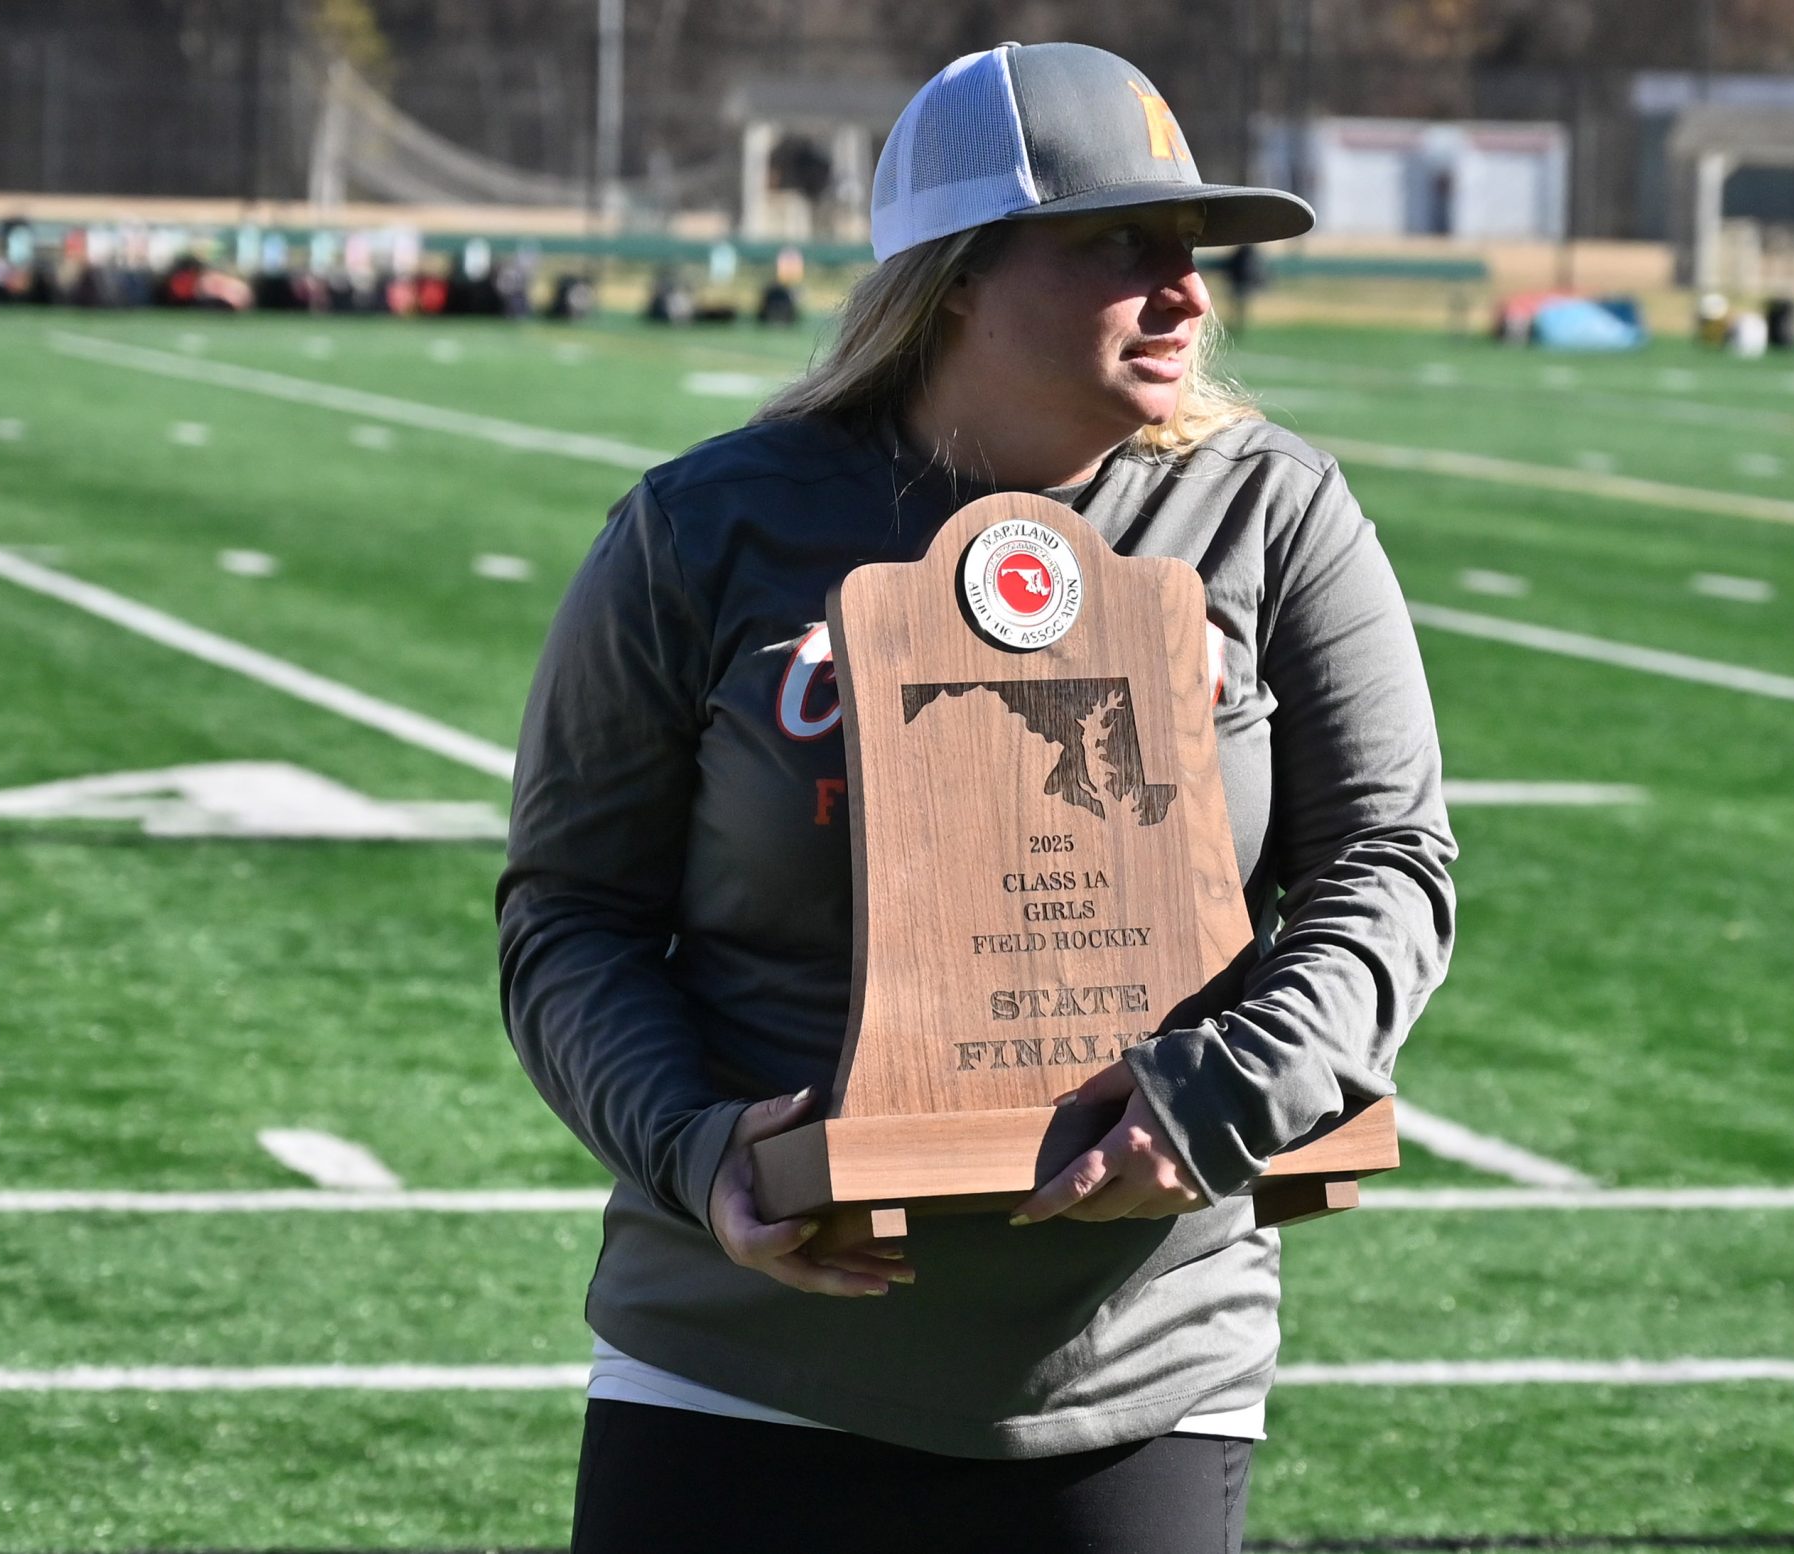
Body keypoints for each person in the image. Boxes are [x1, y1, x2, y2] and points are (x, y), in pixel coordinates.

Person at [498, 40, 1455, 1553]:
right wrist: (695, 1142)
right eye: (1114, 245)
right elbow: (568, 916)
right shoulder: (706, 525)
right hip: (742, 1356)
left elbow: (1391, 866)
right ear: (952, 274)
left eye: (1190, 249)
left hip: (1134, 1365)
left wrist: (1228, 1090)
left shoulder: (1274, 510)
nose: (1186, 293)